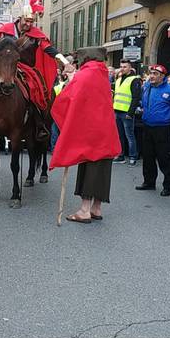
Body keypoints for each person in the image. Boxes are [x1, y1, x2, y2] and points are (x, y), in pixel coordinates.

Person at [0, 0, 69, 140]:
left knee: (36, 90)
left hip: (26, 68)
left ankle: (39, 123)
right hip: (4, 64)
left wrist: (65, 62)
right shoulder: (5, 31)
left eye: (31, 21)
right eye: (26, 20)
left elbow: (49, 49)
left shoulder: (36, 36)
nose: (28, 24)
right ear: (20, 18)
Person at [50, 46, 120, 223]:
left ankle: (84, 210)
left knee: (89, 167)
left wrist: (72, 78)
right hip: (106, 130)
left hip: (91, 131)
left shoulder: (85, 74)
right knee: (103, 167)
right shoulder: (102, 73)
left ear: (85, 59)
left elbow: (69, 98)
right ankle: (96, 208)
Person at [135, 65, 170, 197]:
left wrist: (168, 120)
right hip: (148, 126)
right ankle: (149, 181)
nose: (152, 76)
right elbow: (143, 103)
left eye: (155, 74)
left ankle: (168, 185)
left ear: (162, 76)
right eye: (151, 73)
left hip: (162, 128)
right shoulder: (147, 88)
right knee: (148, 157)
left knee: (164, 157)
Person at [112, 59, 141, 166]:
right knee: (119, 135)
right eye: (121, 66)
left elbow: (136, 98)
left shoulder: (134, 79)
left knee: (129, 136)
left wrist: (130, 112)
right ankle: (121, 155)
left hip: (126, 112)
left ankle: (133, 156)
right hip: (117, 110)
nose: (122, 69)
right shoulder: (119, 79)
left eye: (125, 67)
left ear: (130, 68)